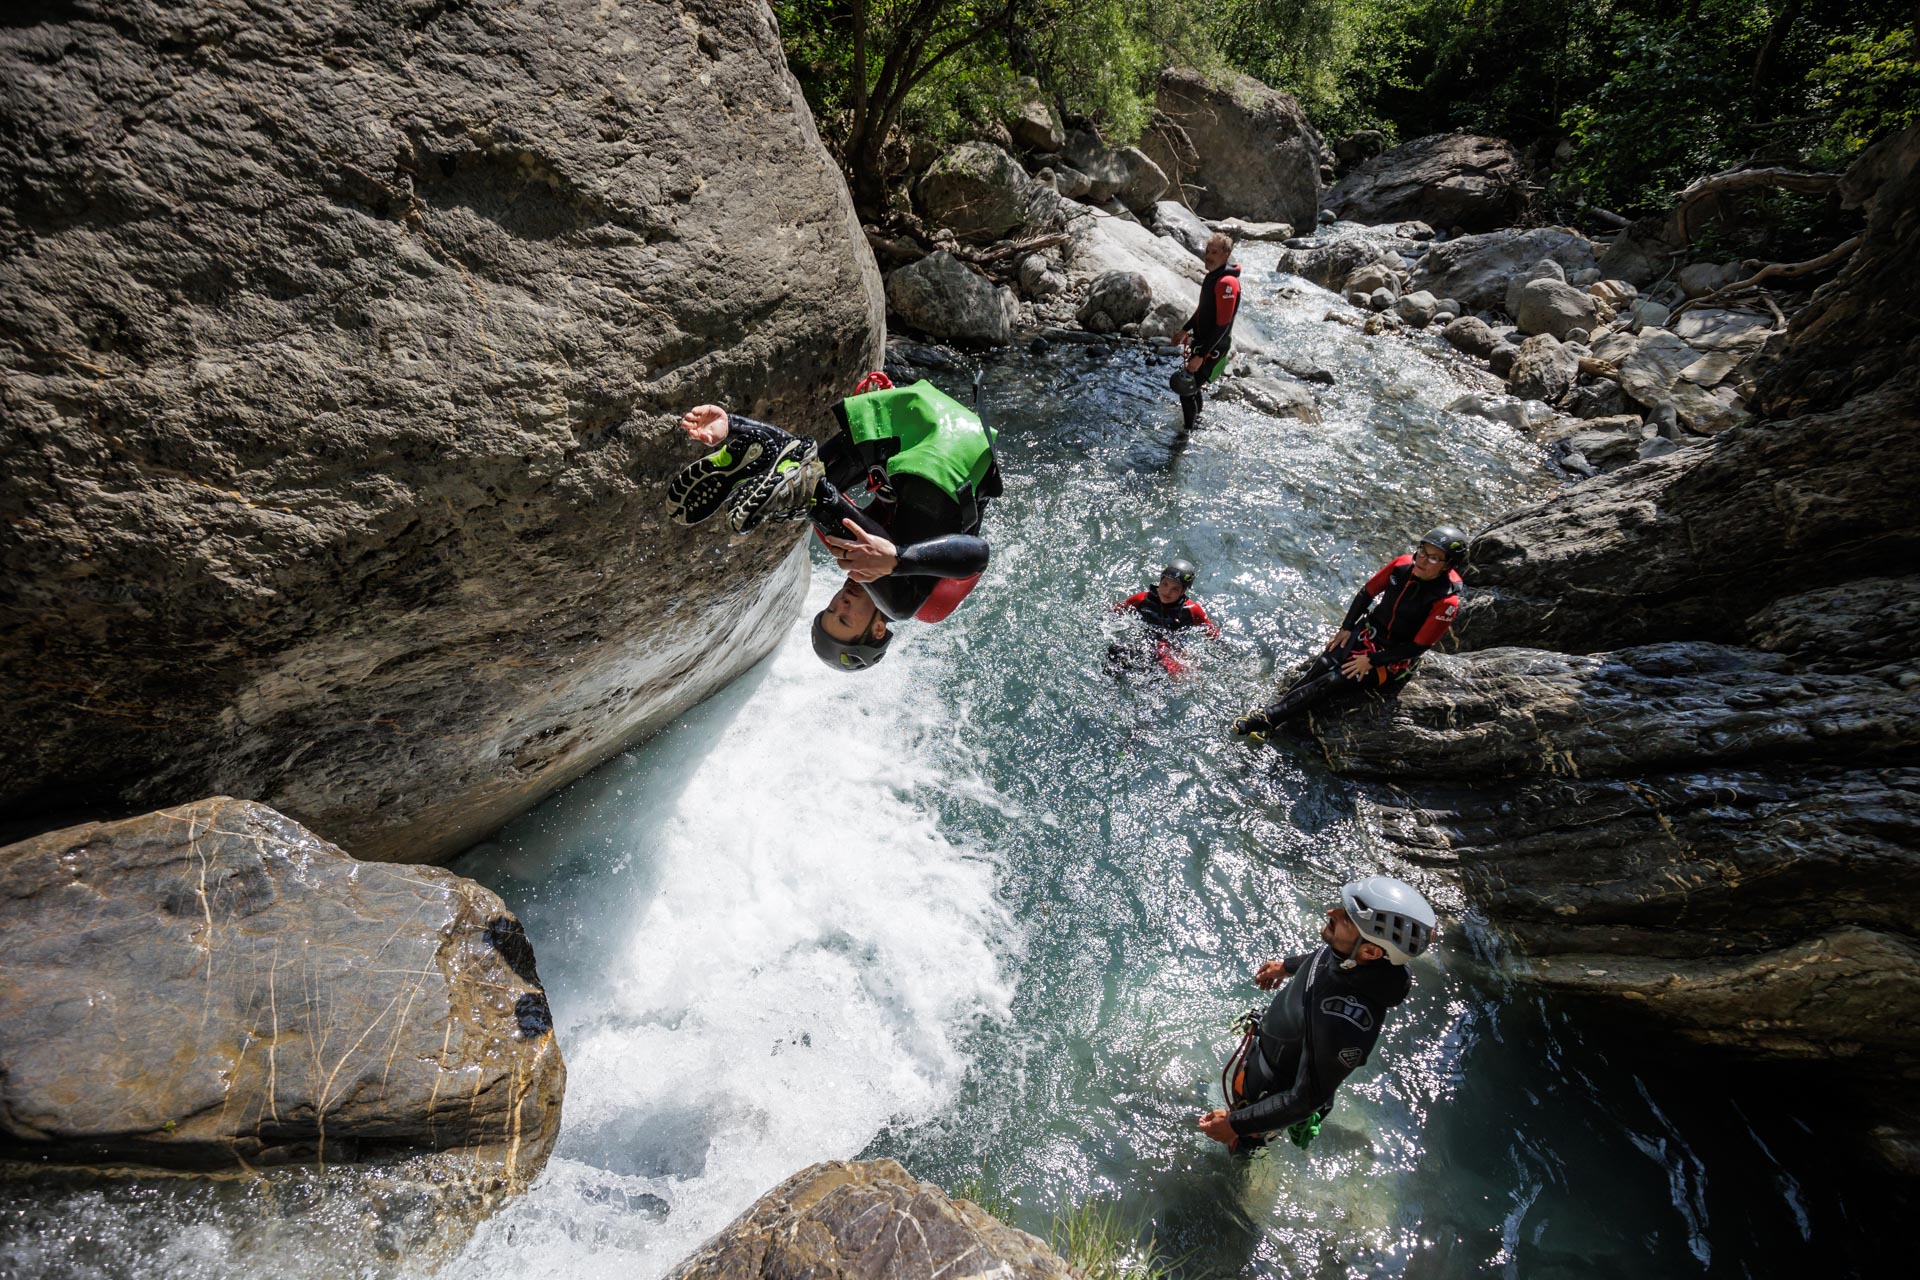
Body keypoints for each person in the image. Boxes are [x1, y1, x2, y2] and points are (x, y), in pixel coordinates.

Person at [667, 375, 999, 672]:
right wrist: (898, 560)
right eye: (844, 618)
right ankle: (812, 490)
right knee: (898, 602)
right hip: (952, 452)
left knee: (808, 493)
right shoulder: (928, 606)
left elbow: (814, 467)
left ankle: (759, 446)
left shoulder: (851, 549)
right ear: (877, 630)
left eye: (831, 609)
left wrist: (734, 425)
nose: (841, 603)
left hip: (903, 421)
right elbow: (979, 554)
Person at [1197, 875, 1437, 1154]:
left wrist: (1236, 1125)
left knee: (1238, 1151)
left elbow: (1304, 1101)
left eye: (1345, 918)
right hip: (1263, 1057)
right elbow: (1326, 958)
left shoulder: (1343, 1024)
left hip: (1267, 1095)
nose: (1331, 912)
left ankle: (1241, 1164)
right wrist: (1287, 967)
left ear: (1370, 951)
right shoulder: (1353, 957)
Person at [1231, 526, 1467, 740]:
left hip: (1393, 658)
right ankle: (1274, 717)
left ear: (1448, 565)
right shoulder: (1402, 565)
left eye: (1433, 558)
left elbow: (1418, 647)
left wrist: (1371, 660)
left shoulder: (1446, 601)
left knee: (1335, 679)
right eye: (1422, 551)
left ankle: (1266, 719)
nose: (1422, 560)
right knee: (1323, 664)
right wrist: (1346, 628)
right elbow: (1367, 593)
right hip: (1368, 634)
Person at [1169, 233, 1242, 431]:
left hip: (1212, 349)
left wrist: (1201, 355)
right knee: (1193, 386)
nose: (1208, 256)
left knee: (1185, 390)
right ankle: (1197, 422)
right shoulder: (1214, 277)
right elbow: (1203, 311)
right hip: (1203, 343)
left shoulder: (1226, 283)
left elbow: (1222, 326)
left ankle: (1186, 435)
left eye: (1214, 252)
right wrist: (1185, 330)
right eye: (1207, 251)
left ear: (1226, 254)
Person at [1108, 558, 1222, 674]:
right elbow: (1116, 610)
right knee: (1116, 651)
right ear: (1159, 582)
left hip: (1172, 647)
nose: (1167, 591)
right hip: (1145, 641)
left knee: (1176, 667)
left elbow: (1211, 631)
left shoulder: (1192, 610)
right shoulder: (1142, 599)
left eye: (1175, 589)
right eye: (1165, 584)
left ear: (1183, 591)